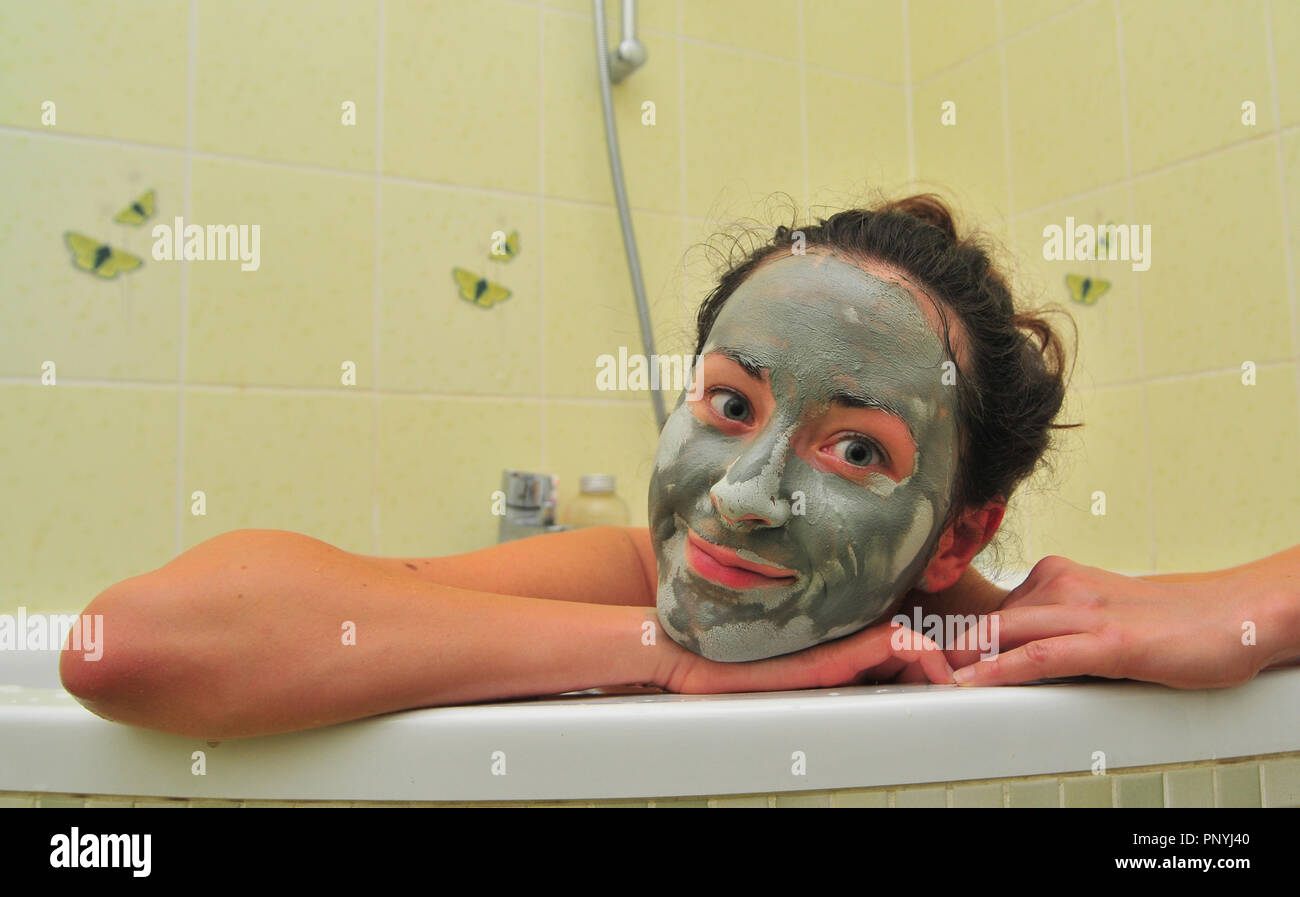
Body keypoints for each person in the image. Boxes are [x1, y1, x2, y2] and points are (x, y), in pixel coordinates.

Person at [58, 195, 1300, 740]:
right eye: (727, 402)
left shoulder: (1016, 640)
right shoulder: (621, 582)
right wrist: (653, 654)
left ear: (963, 535)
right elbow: (138, 644)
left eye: (857, 448)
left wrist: (1258, 603)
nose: (741, 490)